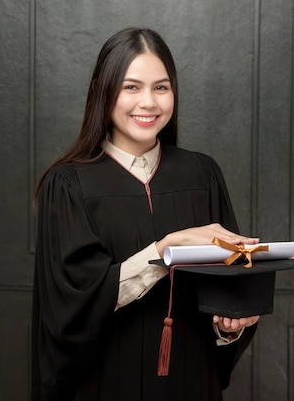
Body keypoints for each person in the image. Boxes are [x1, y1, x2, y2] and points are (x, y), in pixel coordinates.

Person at [31, 27, 260, 401]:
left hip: (190, 378)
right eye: (131, 87)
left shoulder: (202, 175)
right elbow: (71, 307)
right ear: (101, 91)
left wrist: (230, 327)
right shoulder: (70, 184)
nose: (148, 103)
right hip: (104, 383)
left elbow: (226, 290)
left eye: (161, 87)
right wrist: (165, 249)